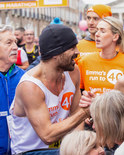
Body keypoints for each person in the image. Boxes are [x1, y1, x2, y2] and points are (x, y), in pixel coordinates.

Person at [9, 24, 91, 154]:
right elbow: (47, 135)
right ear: (56, 53)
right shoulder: (31, 86)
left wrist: (79, 146)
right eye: (72, 48)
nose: (77, 52)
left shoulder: (73, 71)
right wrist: (85, 112)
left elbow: (76, 114)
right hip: (30, 151)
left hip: (59, 148)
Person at [78, 16, 124, 95]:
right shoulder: (84, 61)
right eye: (97, 30)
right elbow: (79, 93)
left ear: (115, 36)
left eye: (102, 31)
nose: (97, 34)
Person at [0, 25, 25, 154]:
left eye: (15, 42)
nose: (15, 47)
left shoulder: (24, 78)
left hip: (19, 150)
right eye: (9, 43)